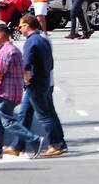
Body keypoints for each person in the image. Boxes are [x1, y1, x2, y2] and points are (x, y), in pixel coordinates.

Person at [0, 22, 42, 160]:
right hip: (11, 92)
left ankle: (34, 139)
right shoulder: (13, 49)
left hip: (6, 93)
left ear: (1, 35)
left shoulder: (6, 51)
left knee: (7, 121)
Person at [19, 15, 67, 157]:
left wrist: (26, 81)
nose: (19, 29)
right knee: (24, 114)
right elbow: (51, 63)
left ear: (27, 26)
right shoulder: (43, 39)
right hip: (44, 81)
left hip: (34, 83)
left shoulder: (31, 42)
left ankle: (56, 144)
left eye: (21, 26)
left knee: (44, 116)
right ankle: (18, 145)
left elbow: (26, 65)